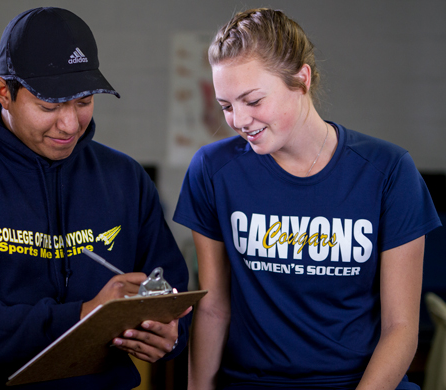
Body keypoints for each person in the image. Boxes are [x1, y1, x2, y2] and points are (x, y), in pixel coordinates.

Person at [0, 7, 190, 390]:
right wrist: (82, 316)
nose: (69, 124)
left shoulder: (125, 179)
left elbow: (171, 291)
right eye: (49, 106)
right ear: (4, 93)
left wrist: (171, 331)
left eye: (83, 102)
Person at [173, 8, 441, 390]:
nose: (240, 120)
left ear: (301, 79)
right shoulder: (213, 171)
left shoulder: (388, 171)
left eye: (253, 100)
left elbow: (400, 329)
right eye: (227, 106)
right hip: (254, 381)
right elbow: (214, 307)